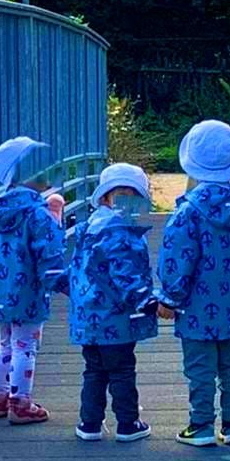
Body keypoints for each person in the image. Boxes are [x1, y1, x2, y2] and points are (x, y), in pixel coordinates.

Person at [155, 121, 230, 447]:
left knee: (200, 367)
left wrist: (169, 298)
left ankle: (201, 424)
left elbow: (177, 259)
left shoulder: (189, 211)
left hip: (197, 308)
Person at [0, 136, 67, 425]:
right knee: (25, 345)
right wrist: (63, 283)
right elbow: (49, 253)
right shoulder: (37, 213)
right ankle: (21, 403)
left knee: (5, 343)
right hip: (27, 291)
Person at [68, 163, 157, 442]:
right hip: (115, 318)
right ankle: (128, 423)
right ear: (106, 198)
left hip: (88, 316)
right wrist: (146, 301)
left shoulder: (88, 228)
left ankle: (90, 424)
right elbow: (125, 275)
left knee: (94, 370)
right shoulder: (121, 232)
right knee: (121, 370)